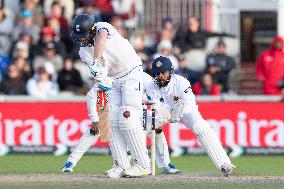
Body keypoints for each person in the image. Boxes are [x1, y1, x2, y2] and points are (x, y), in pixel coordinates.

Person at [68, 13, 150, 178]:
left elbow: (102, 39)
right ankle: (120, 164)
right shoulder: (83, 52)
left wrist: (96, 61)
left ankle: (142, 164)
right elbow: (99, 74)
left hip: (131, 72)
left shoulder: (103, 27)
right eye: (78, 36)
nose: (81, 39)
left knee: (129, 116)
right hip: (112, 79)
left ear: (91, 30)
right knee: (112, 120)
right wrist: (100, 76)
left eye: (83, 35)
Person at [61, 72, 180, 175]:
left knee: (156, 130)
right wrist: (95, 120)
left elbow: (155, 93)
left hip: (136, 111)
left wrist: (152, 105)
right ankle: (71, 163)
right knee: (94, 133)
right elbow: (92, 96)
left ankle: (166, 165)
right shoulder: (108, 77)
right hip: (110, 110)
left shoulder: (141, 75)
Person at [145, 56, 236, 177]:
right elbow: (156, 107)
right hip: (164, 111)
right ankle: (156, 165)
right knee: (149, 126)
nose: (160, 75)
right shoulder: (151, 86)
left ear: (170, 71)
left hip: (185, 110)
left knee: (202, 127)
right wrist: (167, 116)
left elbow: (189, 104)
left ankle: (224, 164)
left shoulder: (181, 82)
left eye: (163, 72)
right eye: (157, 73)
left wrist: (179, 112)